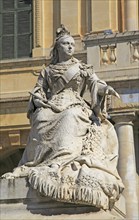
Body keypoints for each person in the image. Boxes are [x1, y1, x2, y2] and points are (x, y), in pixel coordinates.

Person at [2, 25, 124, 210]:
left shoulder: (82, 68)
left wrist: (104, 89)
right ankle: (37, 162)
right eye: (66, 44)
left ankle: (61, 161)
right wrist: (37, 99)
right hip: (52, 105)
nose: (70, 47)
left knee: (69, 117)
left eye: (72, 44)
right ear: (58, 48)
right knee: (41, 117)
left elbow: (95, 83)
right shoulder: (48, 71)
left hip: (74, 105)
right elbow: (39, 90)